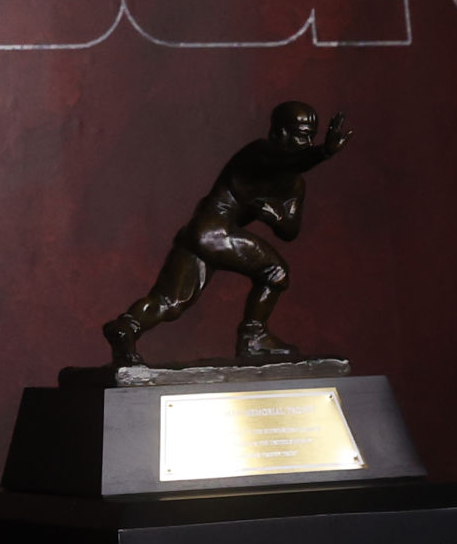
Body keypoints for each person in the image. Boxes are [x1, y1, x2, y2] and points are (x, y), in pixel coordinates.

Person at [104, 102, 354, 364]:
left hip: (201, 235)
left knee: (170, 302)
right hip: (213, 230)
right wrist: (323, 152)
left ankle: (126, 327)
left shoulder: (294, 184)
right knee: (276, 272)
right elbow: (287, 160)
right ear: (279, 133)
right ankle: (253, 337)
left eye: (311, 137)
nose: (307, 143)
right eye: (300, 135)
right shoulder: (259, 153)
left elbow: (290, 230)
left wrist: (273, 216)